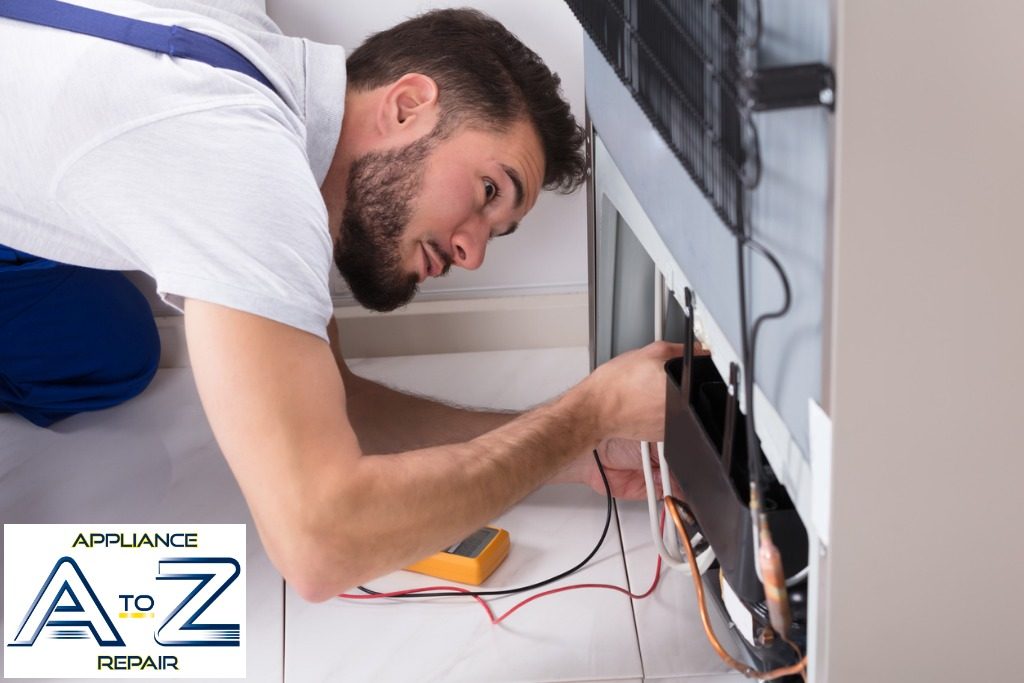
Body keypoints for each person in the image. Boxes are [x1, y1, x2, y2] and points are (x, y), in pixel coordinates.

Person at [0, 0, 678, 601]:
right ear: (407, 104)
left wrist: (571, 453)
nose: (473, 251)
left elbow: (340, 404)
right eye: (489, 192)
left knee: (113, 350)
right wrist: (588, 413)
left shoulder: (262, 74)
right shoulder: (243, 164)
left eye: (495, 232)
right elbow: (318, 544)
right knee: (50, 614)